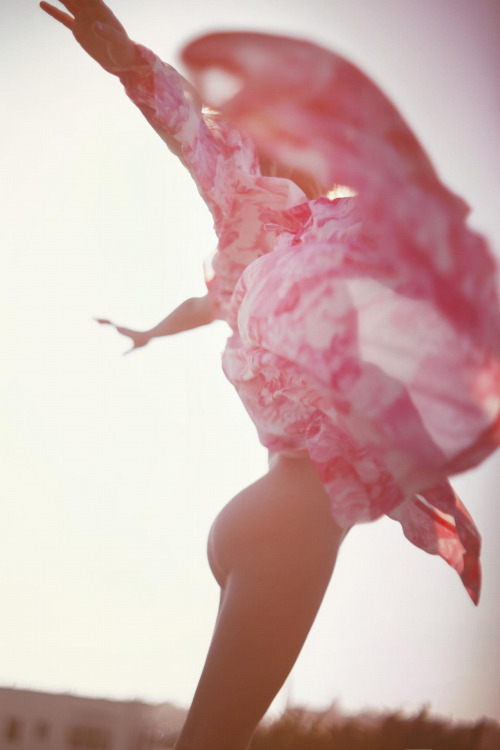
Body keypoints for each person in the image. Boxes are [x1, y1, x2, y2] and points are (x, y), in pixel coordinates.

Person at [40, 2, 500, 749]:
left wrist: (152, 331)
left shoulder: (257, 236)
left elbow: (208, 284)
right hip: (294, 521)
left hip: (266, 516)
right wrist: (125, 57)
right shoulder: (328, 232)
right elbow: (196, 138)